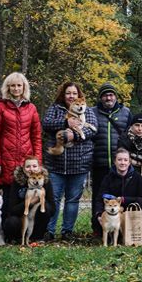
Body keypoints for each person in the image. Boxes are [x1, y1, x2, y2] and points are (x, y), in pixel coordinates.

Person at [43, 82, 97, 240]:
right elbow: (46, 124)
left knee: (73, 200)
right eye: (68, 93)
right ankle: (49, 231)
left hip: (79, 163)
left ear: (79, 96)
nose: (71, 96)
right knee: (53, 198)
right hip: (56, 163)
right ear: (63, 94)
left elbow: (93, 127)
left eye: (74, 93)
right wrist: (65, 123)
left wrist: (76, 135)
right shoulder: (55, 108)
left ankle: (67, 231)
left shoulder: (88, 110)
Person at [0, 72, 43, 199]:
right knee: (7, 199)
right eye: (13, 85)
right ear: (8, 87)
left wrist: (38, 162)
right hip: (6, 159)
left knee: (25, 200)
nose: (16, 88)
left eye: (19, 85)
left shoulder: (31, 108)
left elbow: (36, 137)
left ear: (24, 87)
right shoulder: (0, 107)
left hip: (26, 161)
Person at [90, 82, 132, 235]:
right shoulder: (91, 112)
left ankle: (120, 229)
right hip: (99, 161)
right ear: (101, 97)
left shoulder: (126, 112)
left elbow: (130, 136)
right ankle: (97, 227)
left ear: (115, 97)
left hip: (119, 165)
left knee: (118, 197)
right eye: (105, 95)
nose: (109, 98)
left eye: (111, 95)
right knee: (98, 196)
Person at [2, 156, 56, 243]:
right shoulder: (17, 182)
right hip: (20, 219)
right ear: (23, 169)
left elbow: (53, 210)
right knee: (11, 222)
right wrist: (30, 202)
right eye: (28, 166)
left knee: (45, 207)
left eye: (34, 166)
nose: (31, 169)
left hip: (37, 220)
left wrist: (40, 200)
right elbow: (11, 210)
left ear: (39, 167)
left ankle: (37, 237)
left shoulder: (45, 181)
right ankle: (17, 238)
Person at [95, 148, 142, 234]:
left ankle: (140, 232)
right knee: (98, 228)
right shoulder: (108, 178)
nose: (122, 163)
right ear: (114, 161)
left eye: (125, 160)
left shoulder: (137, 177)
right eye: (119, 160)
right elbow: (100, 198)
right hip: (112, 213)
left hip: (130, 210)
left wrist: (124, 199)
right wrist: (99, 214)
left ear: (129, 162)